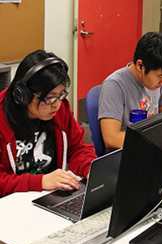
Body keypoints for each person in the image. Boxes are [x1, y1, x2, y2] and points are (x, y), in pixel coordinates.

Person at [0, 50, 96, 197]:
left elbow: (77, 149)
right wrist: (41, 182)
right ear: (23, 95)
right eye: (49, 98)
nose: (56, 105)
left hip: (50, 195)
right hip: (12, 203)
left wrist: (89, 168)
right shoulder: (2, 119)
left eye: (61, 95)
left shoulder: (60, 108)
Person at [98, 32, 162, 150]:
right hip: (128, 152)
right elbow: (111, 139)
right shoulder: (114, 85)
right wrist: (155, 140)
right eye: (161, 77)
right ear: (140, 66)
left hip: (152, 148)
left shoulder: (158, 83)